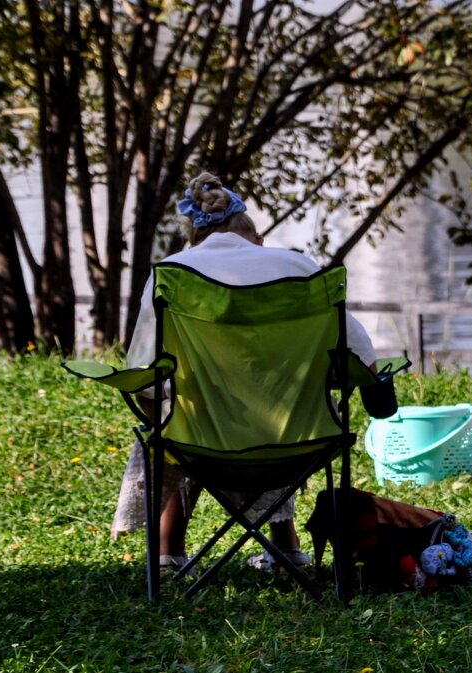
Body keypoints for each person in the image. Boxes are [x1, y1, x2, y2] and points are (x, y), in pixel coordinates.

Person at [112, 170, 377, 575]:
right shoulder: (298, 267)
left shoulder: (173, 274)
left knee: (176, 415)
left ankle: (168, 553)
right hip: (296, 444)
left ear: (195, 240)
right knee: (272, 403)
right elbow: (366, 366)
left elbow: (145, 381)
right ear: (258, 240)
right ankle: (285, 547)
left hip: (201, 445)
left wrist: (176, 431)